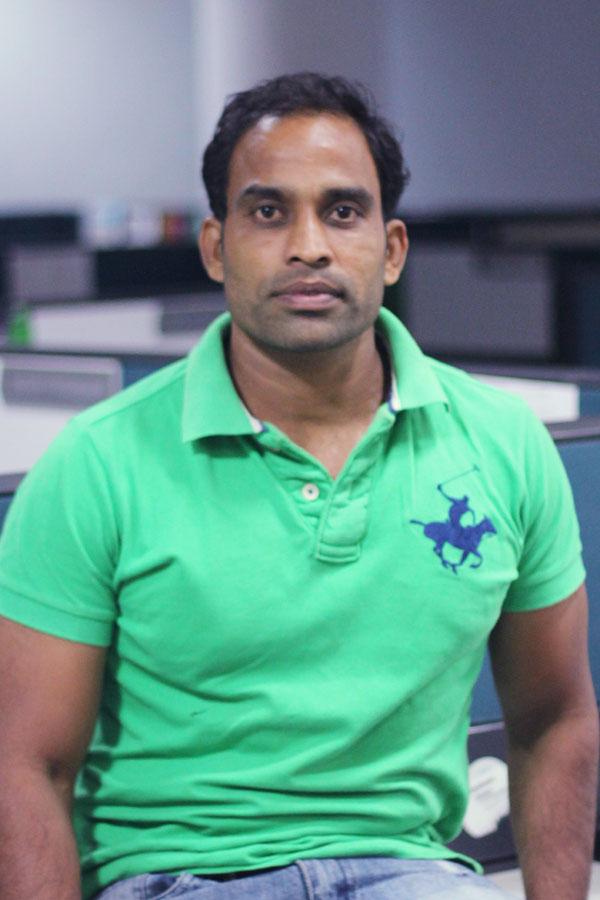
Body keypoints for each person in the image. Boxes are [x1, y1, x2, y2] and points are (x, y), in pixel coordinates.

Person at [0, 73, 597, 900]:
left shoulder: (503, 446)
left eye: (342, 211)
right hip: (178, 877)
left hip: (407, 871)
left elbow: (556, 718)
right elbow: (26, 764)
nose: (309, 245)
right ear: (217, 247)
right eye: (269, 212)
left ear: (392, 249)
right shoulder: (98, 461)